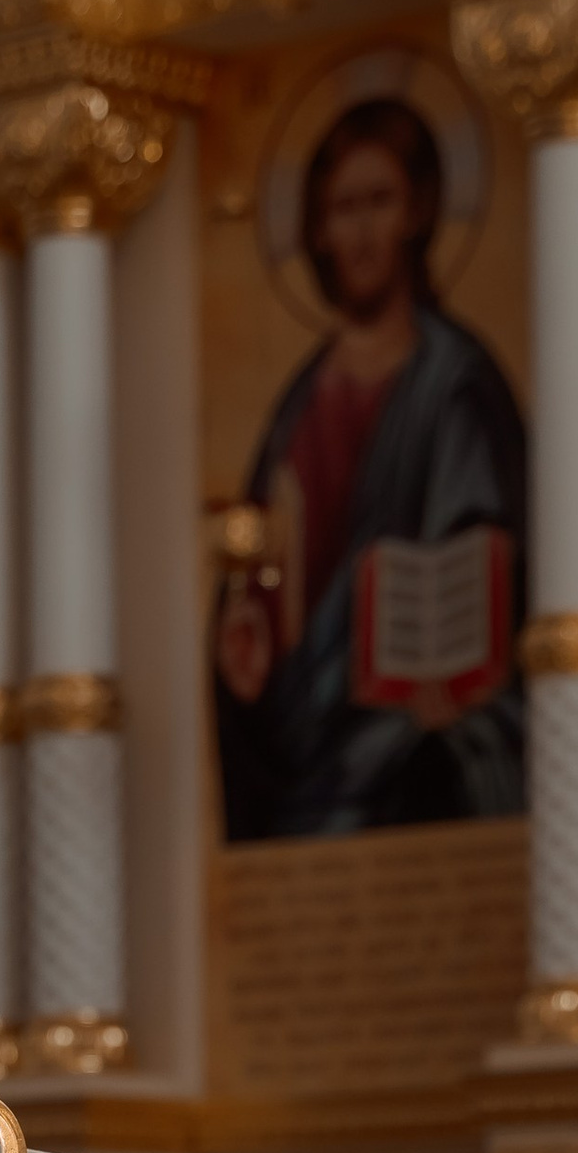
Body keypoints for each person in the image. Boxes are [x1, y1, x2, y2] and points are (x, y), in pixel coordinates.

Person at [212, 95, 527, 840]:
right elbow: (261, 571)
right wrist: (243, 638)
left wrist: (458, 671)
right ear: (316, 230)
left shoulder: (455, 383)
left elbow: (489, 548)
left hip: (412, 746)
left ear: (417, 213)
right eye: (341, 209)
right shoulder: (300, 401)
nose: (358, 232)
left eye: (378, 202)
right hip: (307, 753)